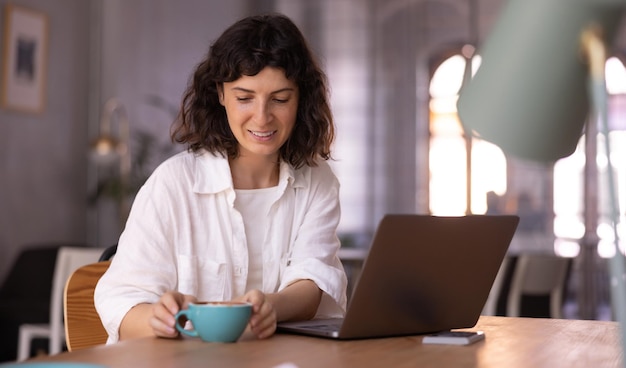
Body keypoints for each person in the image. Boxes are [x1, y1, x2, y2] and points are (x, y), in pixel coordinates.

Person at [94, 13, 347, 343]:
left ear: (301, 99)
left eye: (280, 99)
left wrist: (271, 306)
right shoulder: (174, 183)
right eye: (244, 98)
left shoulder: (318, 180)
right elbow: (120, 302)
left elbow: (315, 280)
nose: (262, 117)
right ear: (220, 94)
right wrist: (157, 318)